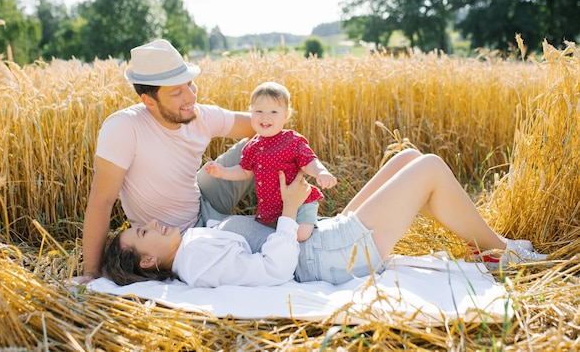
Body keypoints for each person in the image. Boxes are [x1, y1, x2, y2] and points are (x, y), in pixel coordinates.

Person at [100, 148, 549, 288]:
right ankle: (499, 251)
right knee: (428, 167)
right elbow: (272, 271)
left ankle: (485, 244)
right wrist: (289, 210)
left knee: (408, 158)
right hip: (329, 257)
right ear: (145, 262)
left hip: (322, 241)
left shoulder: (192, 245)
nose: (153, 223)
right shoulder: (195, 263)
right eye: (143, 232)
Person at [75, 39, 270, 285]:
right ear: (149, 101)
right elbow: (100, 202)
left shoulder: (200, 114)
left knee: (270, 142)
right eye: (176, 92)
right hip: (174, 237)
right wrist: (91, 273)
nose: (190, 96)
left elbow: (260, 125)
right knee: (264, 243)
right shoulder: (124, 128)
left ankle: (294, 213)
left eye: (189, 84)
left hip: (204, 196)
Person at [204, 81, 337, 242]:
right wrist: (223, 172)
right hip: (272, 209)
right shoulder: (252, 146)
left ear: (286, 115)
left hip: (300, 204)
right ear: (251, 112)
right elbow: (244, 171)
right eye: (259, 110)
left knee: (299, 235)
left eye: (274, 111)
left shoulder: (291, 140)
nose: (265, 116)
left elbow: (308, 161)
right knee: (274, 235)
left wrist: (320, 172)